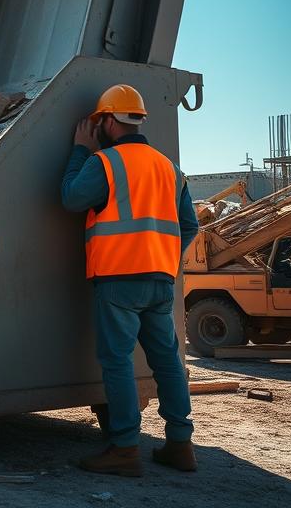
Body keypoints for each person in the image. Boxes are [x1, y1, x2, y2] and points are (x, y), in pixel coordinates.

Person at [62, 84, 199, 477]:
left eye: (98, 121)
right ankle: (180, 445)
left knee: (117, 362)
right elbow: (188, 226)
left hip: (118, 278)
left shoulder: (104, 163)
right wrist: (163, 253)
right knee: (168, 363)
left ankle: (124, 449)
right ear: (137, 119)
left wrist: (79, 152)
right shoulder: (168, 168)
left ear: (107, 120)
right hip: (160, 278)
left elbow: (71, 198)